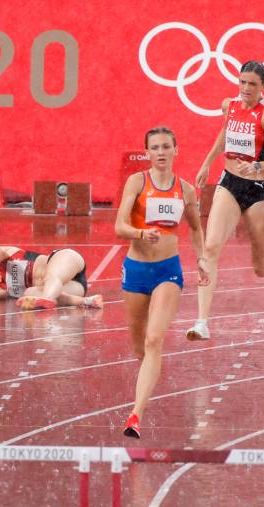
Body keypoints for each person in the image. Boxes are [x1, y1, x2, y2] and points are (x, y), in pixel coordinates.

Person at [187, 60, 264, 341]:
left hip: (258, 189)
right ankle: (201, 322)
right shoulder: (229, 106)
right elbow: (224, 134)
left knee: (261, 269)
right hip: (229, 183)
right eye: (242, 82)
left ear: (263, 87)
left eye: (252, 84)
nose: (245, 88)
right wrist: (207, 163)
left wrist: (257, 166)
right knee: (210, 247)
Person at [115, 126, 208, 438]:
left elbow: (195, 229)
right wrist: (142, 233)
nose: (161, 152)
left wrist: (202, 258)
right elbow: (119, 226)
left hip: (168, 271)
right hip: (136, 270)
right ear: (147, 153)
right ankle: (149, 375)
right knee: (140, 345)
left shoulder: (186, 190)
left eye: (166, 146)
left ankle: (135, 415)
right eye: (154, 147)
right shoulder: (137, 182)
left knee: (155, 340)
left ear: (176, 150)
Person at [0, 247, 103, 309]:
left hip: (64, 260)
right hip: (76, 286)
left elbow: (1, 254)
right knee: (28, 293)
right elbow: (1, 294)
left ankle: (47, 299)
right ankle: (88, 301)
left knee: (51, 277)